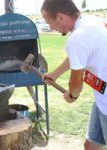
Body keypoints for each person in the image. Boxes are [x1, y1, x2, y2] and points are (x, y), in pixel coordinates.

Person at [41, 0, 107, 149]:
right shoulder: (93, 21)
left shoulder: (77, 38)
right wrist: (55, 74)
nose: (50, 27)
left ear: (60, 17)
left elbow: (76, 85)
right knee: (91, 145)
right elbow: (78, 56)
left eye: (48, 22)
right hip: (101, 98)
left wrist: (72, 95)